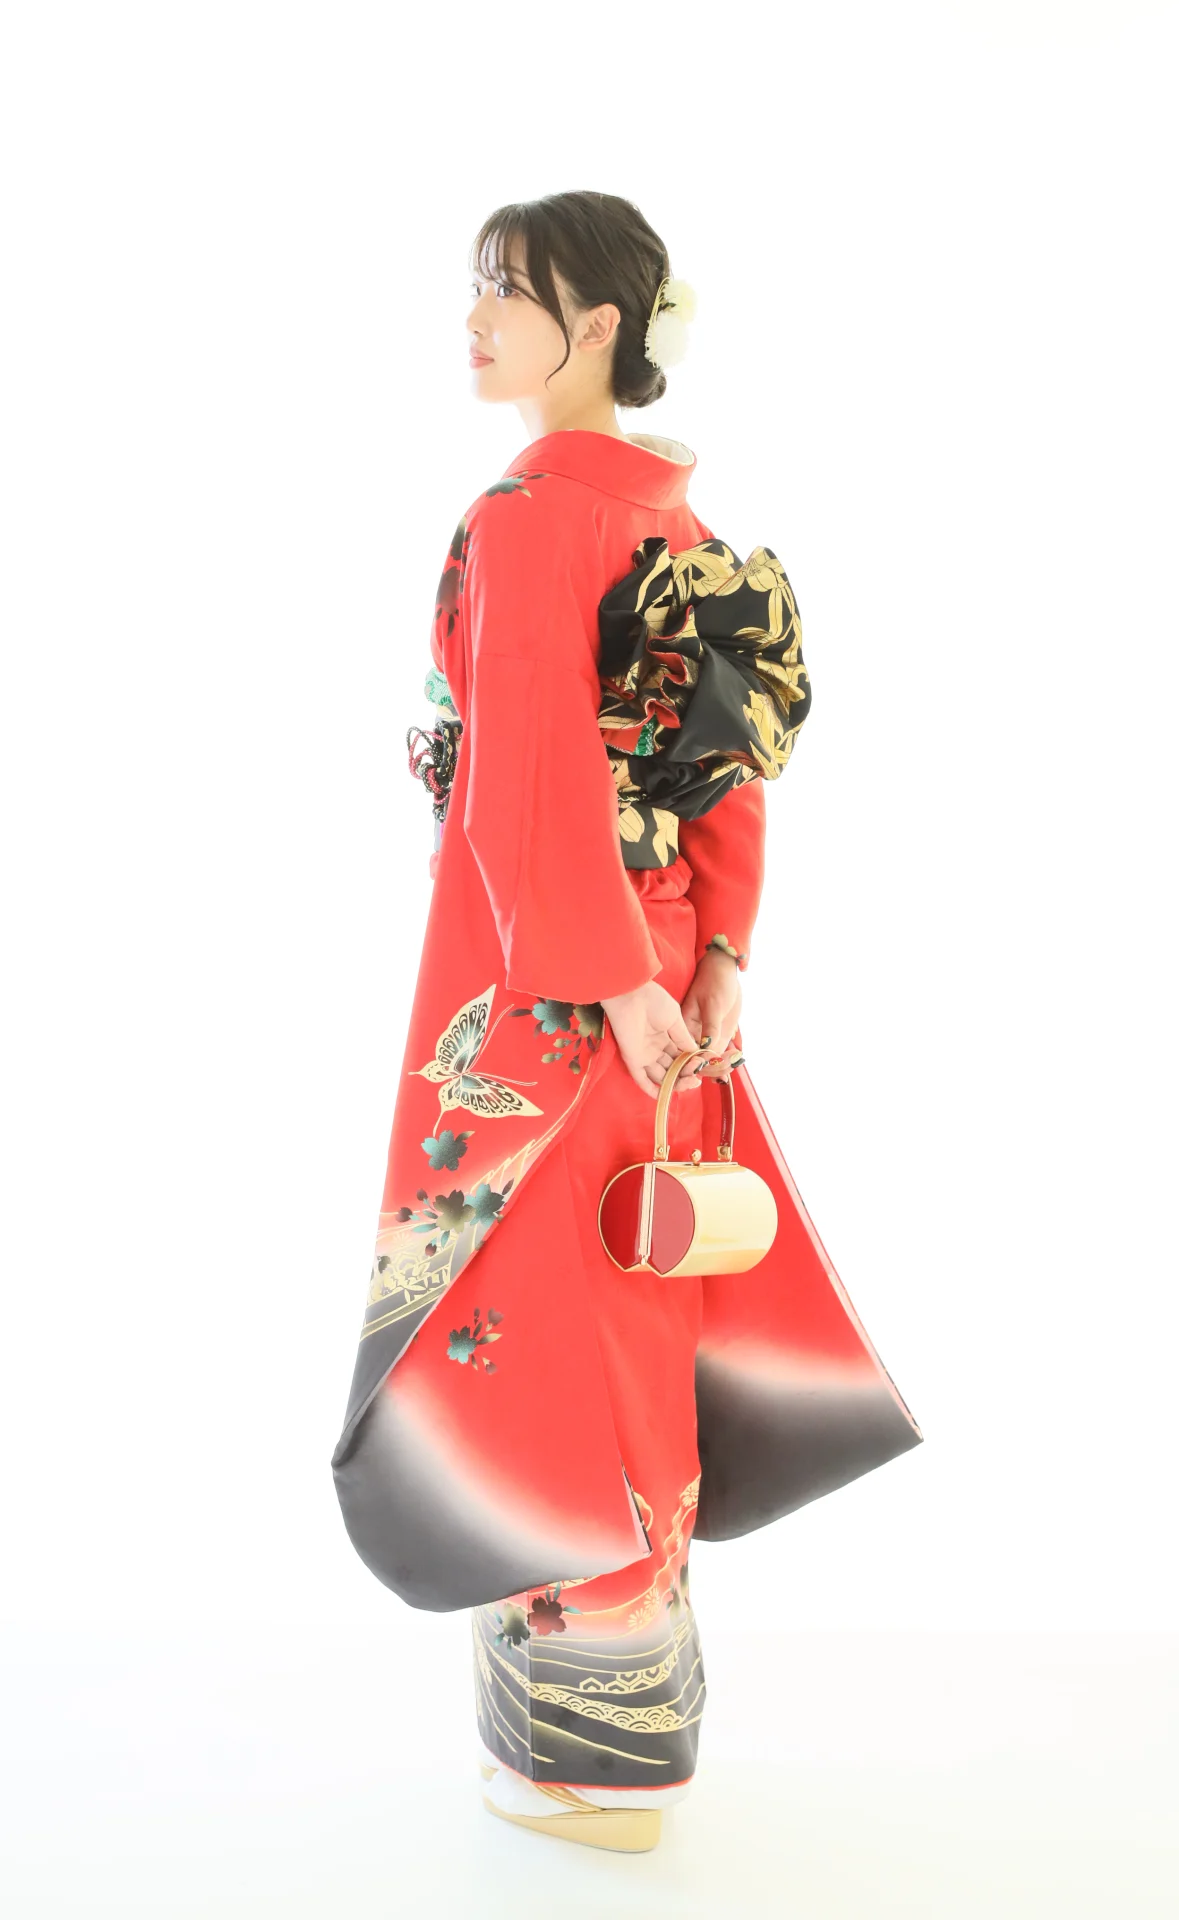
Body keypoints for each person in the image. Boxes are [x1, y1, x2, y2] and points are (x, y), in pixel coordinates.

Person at [331, 191, 923, 1855]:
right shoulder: (678, 521)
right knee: (631, 1311)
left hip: (544, 983)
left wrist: (605, 981)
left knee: (533, 1324)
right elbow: (724, 768)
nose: (473, 318)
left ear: (596, 325)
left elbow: (526, 781)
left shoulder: (530, 517)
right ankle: (615, 1732)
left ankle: (591, 1766)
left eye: (503, 291)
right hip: (654, 978)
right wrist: (711, 955)